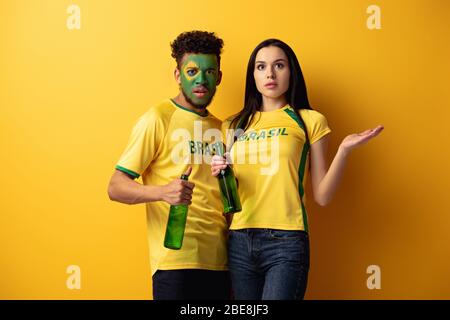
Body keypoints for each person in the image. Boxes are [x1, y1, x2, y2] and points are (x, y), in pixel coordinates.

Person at [211, 39, 384, 300]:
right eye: (261, 67)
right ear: (253, 76)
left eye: (279, 65)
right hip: (239, 241)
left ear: (291, 71)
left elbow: (323, 196)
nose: (270, 74)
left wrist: (344, 150)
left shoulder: (308, 120)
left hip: (286, 241)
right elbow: (228, 195)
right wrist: (221, 173)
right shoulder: (233, 125)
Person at [108, 31, 230, 300]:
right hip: (175, 263)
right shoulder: (158, 118)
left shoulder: (223, 128)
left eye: (209, 71)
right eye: (191, 71)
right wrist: (162, 192)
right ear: (177, 75)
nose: (200, 79)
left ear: (218, 77)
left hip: (221, 263)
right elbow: (116, 187)